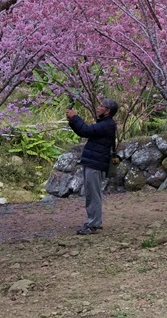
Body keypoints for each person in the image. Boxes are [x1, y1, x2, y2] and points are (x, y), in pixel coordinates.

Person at [67, 98, 118, 235]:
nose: (98, 107)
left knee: (93, 194)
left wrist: (75, 117)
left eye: (101, 106)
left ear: (107, 111)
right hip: (93, 162)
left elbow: (85, 130)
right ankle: (94, 221)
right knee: (92, 193)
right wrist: (72, 121)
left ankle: (93, 224)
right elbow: (84, 132)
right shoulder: (105, 124)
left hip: (95, 164)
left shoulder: (107, 124)